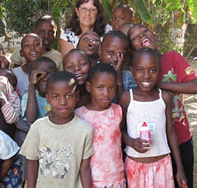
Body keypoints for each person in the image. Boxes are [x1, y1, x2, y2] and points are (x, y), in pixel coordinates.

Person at [128, 24, 197, 188]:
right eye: (135, 37)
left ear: (154, 34)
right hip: (154, 150)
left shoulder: (171, 58)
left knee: (183, 181)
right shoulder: (135, 73)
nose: (142, 36)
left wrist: (160, 85)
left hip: (181, 140)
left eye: (144, 31)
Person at [119, 48, 187, 188]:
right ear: (132, 72)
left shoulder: (165, 98)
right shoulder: (127, 98)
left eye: (152, 70)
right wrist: (131, 142)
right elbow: (118, 131)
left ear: (159, 71)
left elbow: (171, 133)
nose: (146, 76)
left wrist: (179, 168)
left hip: (163, 166)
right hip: (135, 167)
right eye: (140, 70)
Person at [19, 71, 93, 188]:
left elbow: (85, 169)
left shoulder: (85, 130)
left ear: (77, 96)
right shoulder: (38, 128)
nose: (63, 102)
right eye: (55, 97)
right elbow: (32, 164)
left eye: (69, 96)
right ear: (48, 98)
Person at [75, 63, 126, 187]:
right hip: (91, 181)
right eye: (100, 87)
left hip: (117, 179)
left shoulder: (118, 111)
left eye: (111, 88)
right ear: (88, 87)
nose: (106, 93)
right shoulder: (79, 115)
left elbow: (121, 136)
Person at [100, 30, 136, 101]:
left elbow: (127, 106)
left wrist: (118, 77)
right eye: (110, 52)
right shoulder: (93, 74)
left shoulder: (130, 78)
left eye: (120, 54)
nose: (115, 59)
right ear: (100, 50)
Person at [22, 57, 57, 124]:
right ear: (30, 77)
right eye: (39, 75)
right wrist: (31, 85)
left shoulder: (59, 95)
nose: (44, 79)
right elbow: (31, 118)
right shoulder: (27, 97)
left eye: (48, 74)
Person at [12, 33, 44, 98]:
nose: (32, 48)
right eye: (27, 45)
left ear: (43, 49)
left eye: (36, 44)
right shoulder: (14, 74)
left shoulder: (49, 72)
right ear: (21, 53)